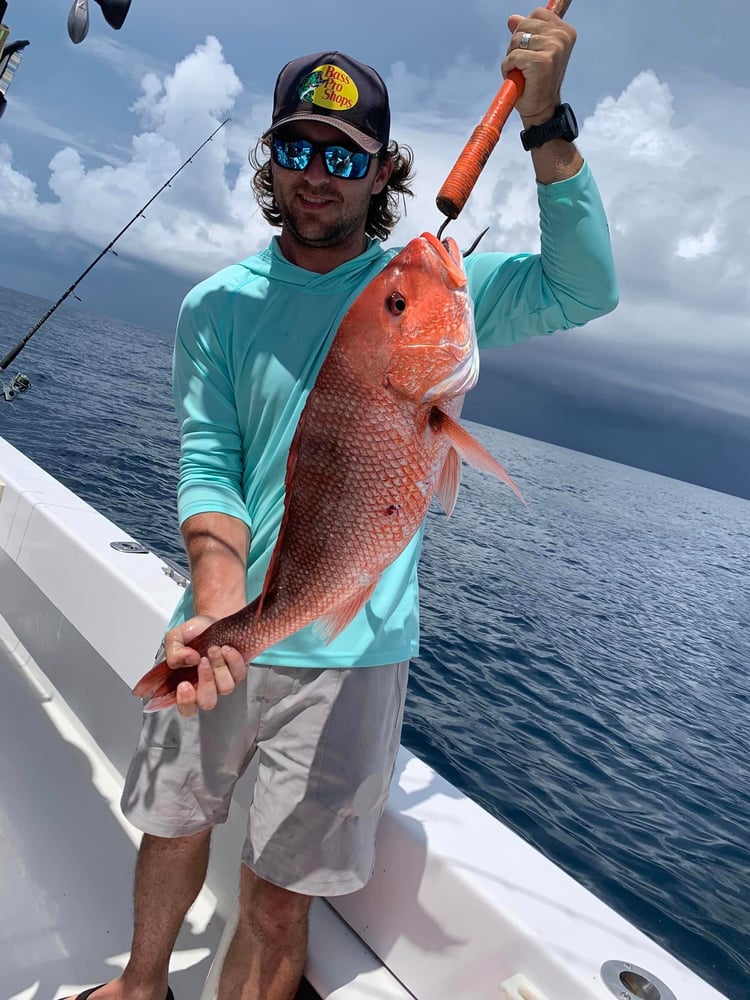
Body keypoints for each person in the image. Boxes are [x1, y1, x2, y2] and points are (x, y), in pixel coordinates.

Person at [66, 8, 618, 1000]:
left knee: (282, 899)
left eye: (344, 152)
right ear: (270, 163)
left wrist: (545, 126)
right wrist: (217, 603)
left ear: (382, 172)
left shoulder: (433, 287)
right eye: (295, 147)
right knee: (172, 823)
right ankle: (137, 987)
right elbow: (210, 462)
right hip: (225, 624)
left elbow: (585, 286)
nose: (316, 171)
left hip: (353, 658)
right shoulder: (218, 306)